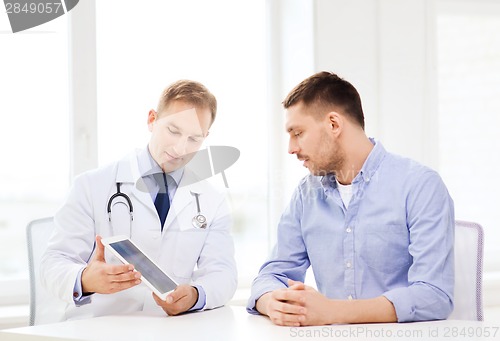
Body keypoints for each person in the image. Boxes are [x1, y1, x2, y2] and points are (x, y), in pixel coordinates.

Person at [246, 71, 454, 325]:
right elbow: (272, 274)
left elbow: (434, 296)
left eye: (297, 133)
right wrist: (272, 302)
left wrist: (332, 311)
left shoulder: (420, 185)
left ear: (333, 124)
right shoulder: (306, 194)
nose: (291, 148)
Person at [41, 80, 237, 320]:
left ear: (205, 137)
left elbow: (223, 274)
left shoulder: (211, 199)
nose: (180, 147)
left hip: (170, 330)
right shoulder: (91, 186)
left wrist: (196, 295)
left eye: (194, 139)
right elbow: (53, 263)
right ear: (152, 119)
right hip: (98, 329)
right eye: (173, 131)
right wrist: (84, 279)